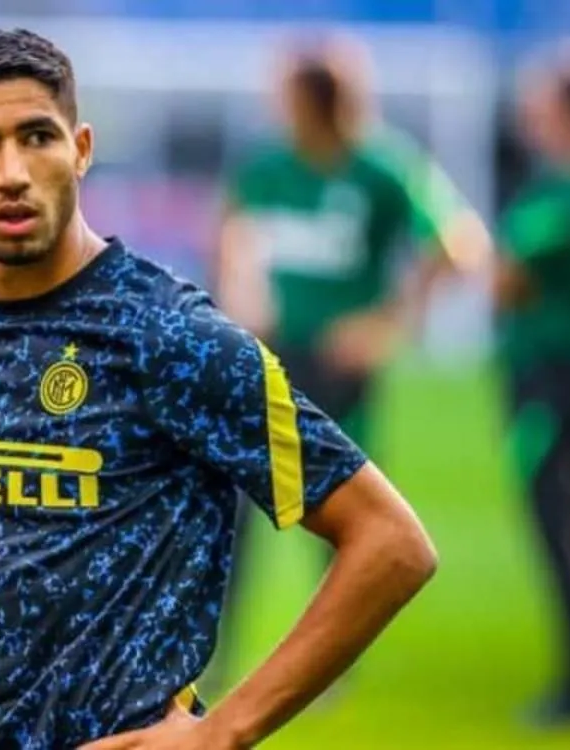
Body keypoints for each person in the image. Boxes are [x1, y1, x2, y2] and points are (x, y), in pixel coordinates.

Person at [0, 28, 438, 750]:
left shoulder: (173, 336)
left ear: (81, 149)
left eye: (37, 137)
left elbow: (392, 543)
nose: (11, 172)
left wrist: (221, 732)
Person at [206, 37, 490, 692]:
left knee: (343, 518)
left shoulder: (383, 167)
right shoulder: (269, 164)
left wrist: (389, 323)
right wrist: (241, 291)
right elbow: (230, 230)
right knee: (232, 508)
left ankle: (331, 663)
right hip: (267, 357)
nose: (277, 106)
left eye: (286, 95)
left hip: (338, 365)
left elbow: (459, 245)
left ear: (315, 100)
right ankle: (212, 656)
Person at [494, 41, 570, 725]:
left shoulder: (568, 192)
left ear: (569, 108)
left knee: (562, 527)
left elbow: (506, 278)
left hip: (553, 379)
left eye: (541, 101)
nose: (529, 112)